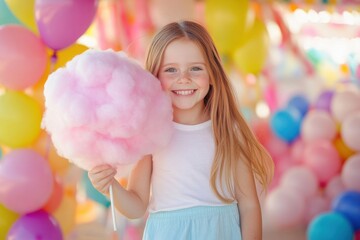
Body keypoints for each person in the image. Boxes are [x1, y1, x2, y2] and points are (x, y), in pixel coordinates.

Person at [88, 20, 274, 240]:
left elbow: (249, 206)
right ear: (154, 77)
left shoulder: (228, 129)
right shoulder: (150, 132)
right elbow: (137, 206)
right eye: (171, 70)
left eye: (195, 68)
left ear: (213, 73)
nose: (183, 78)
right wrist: (109, 185)